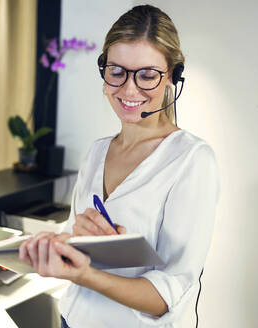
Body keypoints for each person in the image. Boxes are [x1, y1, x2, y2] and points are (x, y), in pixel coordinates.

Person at [19, 5, 219, 328]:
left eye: (147, 75)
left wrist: (87, 274)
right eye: (117, 71)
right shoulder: (97, 152)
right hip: (72, 318)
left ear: (172, 76)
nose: (128, 89)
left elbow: (169, 294)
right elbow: (74, 237)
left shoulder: (192, 161)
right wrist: (64, 242)